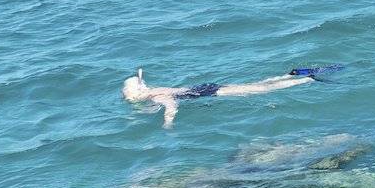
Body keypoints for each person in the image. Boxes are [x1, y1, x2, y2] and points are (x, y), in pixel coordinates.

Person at [121, 67, 317, 127]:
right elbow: (141, 80)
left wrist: (168, 122)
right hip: (203, 87)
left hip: (207, 92)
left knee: (259, 90)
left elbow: (171, 104)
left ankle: (304, 80)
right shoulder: (153, 89)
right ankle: (290, 75)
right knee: (255, 85)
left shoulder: (156, 97)